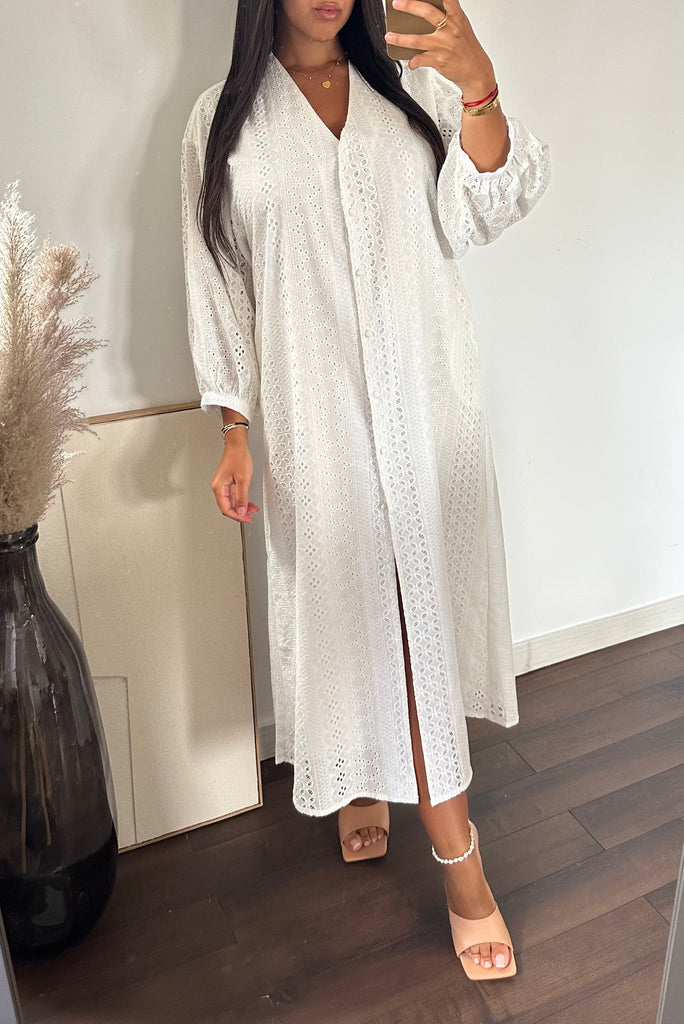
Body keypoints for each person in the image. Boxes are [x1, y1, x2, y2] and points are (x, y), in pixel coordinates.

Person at [181, 0, 550, 980]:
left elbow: (487, 206)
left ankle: (461, 862)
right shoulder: (222, 120)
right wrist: (233, 429)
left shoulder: (411, 89)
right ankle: (361, 781)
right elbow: (218, 278)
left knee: (415, 623)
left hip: (425, 409)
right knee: (351, 613)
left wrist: (479, 83)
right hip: (316, 425)